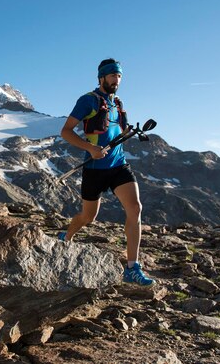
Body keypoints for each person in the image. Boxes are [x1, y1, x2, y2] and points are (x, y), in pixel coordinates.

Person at [58, 58, 154, 286]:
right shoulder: (87, 101)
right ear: (101, 77)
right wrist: (90, 148)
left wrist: (128, 132)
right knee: (88, 217)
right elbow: (66, 131)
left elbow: (114, 131)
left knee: (135, 208)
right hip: (94, 168)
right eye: (112, 75)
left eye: (119, 76)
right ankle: (66, 235)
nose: (116, 79)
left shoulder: (118, 103)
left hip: (118, 165)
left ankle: (132, 267)